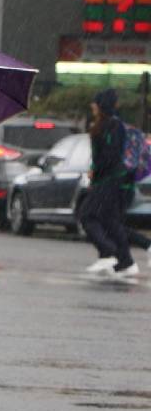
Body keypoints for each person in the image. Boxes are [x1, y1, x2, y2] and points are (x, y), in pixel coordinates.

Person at [80, 89, 138, 279]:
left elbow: (109, 155)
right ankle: (126, 261)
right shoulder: (103, 125)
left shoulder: (112, 126)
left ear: (102, 105)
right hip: (107, 179)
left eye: (95, 102)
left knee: (87, 215)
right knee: (110, 221)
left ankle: (108, 253)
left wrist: (96, 171)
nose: (92, 106)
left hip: (109, 180)